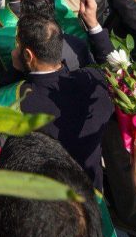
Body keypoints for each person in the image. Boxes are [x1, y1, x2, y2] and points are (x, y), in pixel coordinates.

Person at [9, 13, 113, 192]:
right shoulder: (95, 80)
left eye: (16, 46)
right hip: (91, 191)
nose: (13, 51)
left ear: (28, 55)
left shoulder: (18, 100)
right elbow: (116, 68)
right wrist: (94, 25)